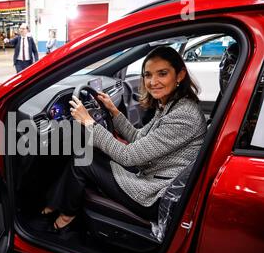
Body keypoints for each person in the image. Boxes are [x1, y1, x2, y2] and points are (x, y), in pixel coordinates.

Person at [40, 46, 207, 234]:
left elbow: (128, 156)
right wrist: (114, 111)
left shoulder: (183, 115)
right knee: (93, 153)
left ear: (180, 75)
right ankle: (58, 201)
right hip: (155, 174)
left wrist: (88, 121)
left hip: (154, 195)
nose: (153, 82)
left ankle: (66, 215)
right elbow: (138, 137)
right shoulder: (173, 105)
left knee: (82, 159)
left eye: (162, 74)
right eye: (148, 75)